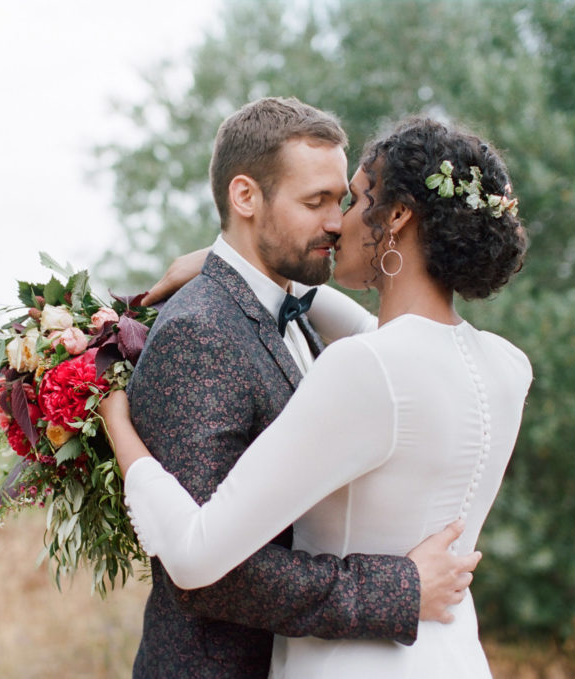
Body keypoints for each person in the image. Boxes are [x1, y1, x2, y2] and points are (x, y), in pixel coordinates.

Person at [102, 115, 530, 677]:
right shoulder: (506, 365)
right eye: (319, 203)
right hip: (451, 656)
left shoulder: (367, 365)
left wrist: (114, 416)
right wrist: (225, 260)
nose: (337, 224)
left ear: (398, 216)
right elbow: (371, 334)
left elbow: (194, 554)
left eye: (350, 201)